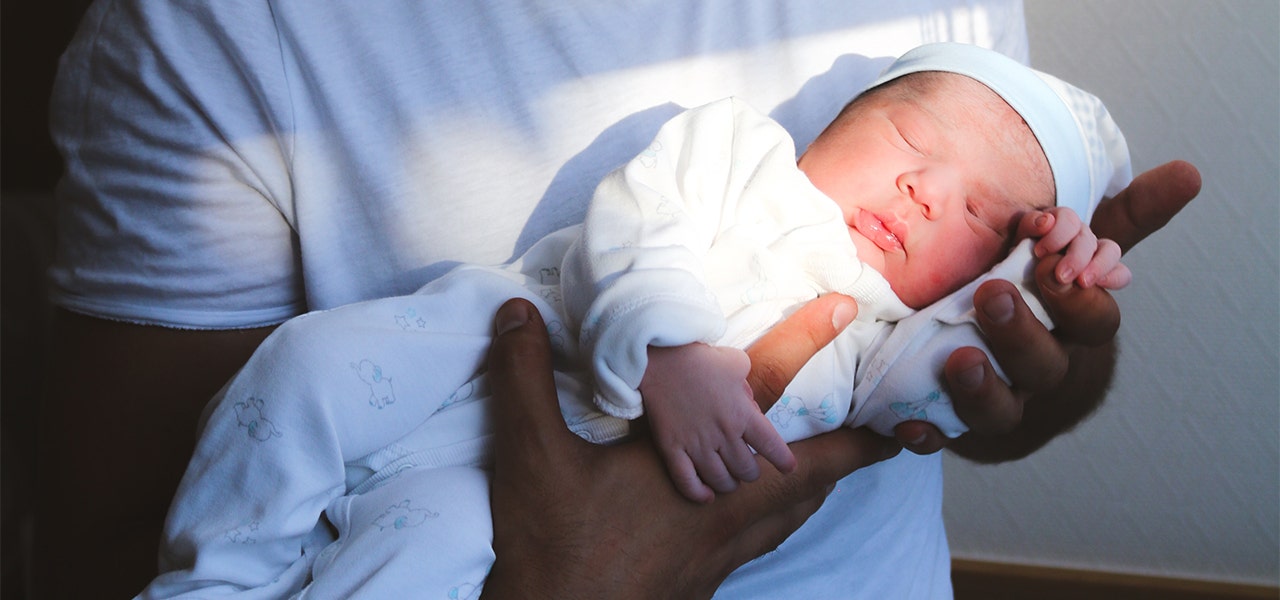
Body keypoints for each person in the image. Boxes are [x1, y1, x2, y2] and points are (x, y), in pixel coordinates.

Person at [35, 2, 1202, 598]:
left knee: (417, 548)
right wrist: (673, 357)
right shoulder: (217, 36)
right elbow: (101, 541)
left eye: (977, 216)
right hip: (442, 397)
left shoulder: (942, 166)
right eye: (903, 142)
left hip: (456, 521)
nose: (919, 189)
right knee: (305, 380)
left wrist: (1034, 339)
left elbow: (924, 391)